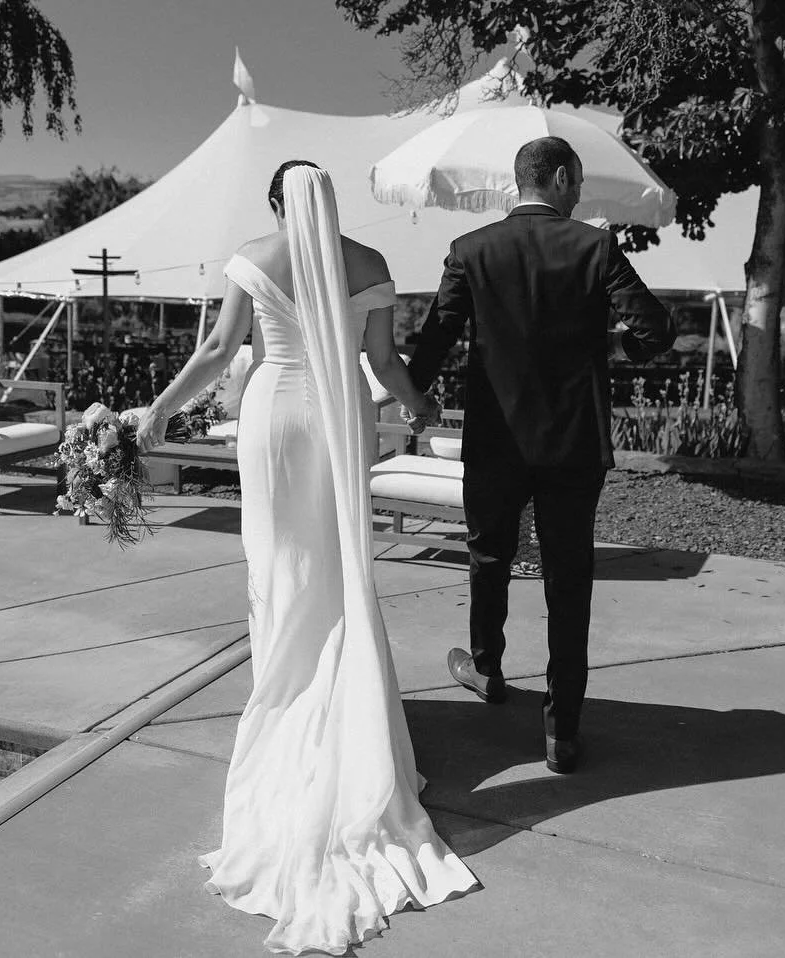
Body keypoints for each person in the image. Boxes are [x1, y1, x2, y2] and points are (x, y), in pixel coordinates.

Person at [136, 161, 474, 955]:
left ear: (277, 204)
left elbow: (219, 349)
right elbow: (384, 365)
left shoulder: (256, 254)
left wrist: (159, 409)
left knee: (280, 566)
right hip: (342, 417)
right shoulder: (372, 263)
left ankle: (289, 692)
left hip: (277, 415)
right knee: (342, 561)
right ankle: (342, 699)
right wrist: (422, 405)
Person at [407, 136, 676, 775]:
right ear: (557, 177)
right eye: (577, 182)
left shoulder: (470, 250)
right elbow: (657, 329)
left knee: (488, 557)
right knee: (569, 577)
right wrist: (618, 351)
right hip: (573, 442)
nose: (579, 195)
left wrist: (415, 398)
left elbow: (436, 337)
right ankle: (562, 728)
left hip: (495, 440)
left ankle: (486, 668)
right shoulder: (595, 247)